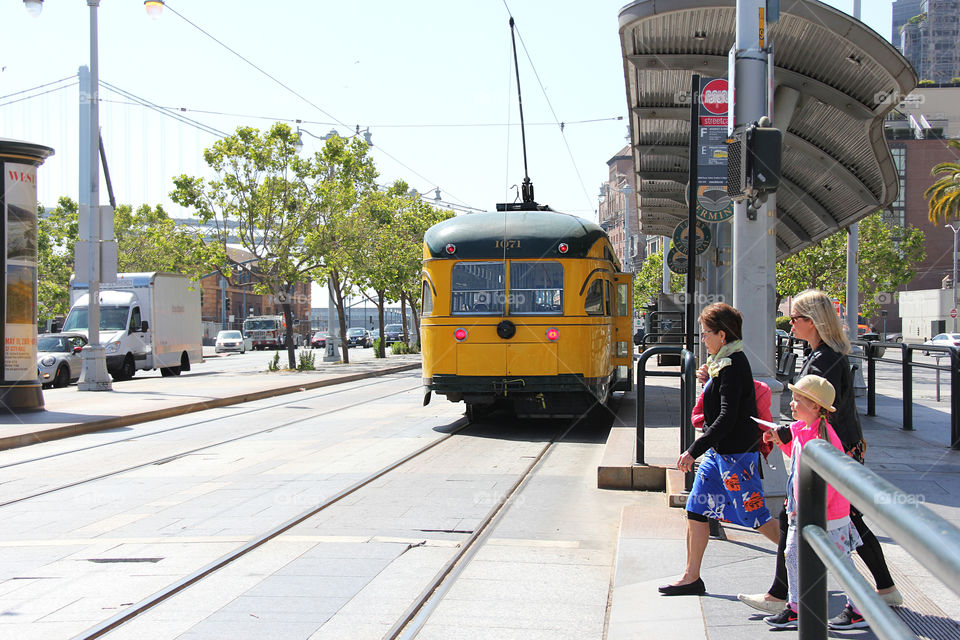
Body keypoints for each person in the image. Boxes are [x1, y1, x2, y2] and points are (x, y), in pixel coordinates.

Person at [737, 289, 901, 613]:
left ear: (811, 322)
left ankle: (784, 595)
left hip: (829, 453)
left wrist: (784, 432)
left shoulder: (824, 359)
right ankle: (884, 588)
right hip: (838, 450)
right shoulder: (824, 354)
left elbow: (816, 412)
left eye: (795, 318)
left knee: (803, 515)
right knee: (845, 518)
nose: (790, 324)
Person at [658, 303, 780, 596]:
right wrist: (708, 380)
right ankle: (691, 578)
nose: (703, 338)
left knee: (755, 516)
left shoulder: (733, 365)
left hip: (737, 456)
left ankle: (806, 555)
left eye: (706, 333)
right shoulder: (722, 363)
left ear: (722, 335)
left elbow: (727, 416)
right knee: (696, 510)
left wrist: (693, 450)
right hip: (720, 454)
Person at [762, 375, 867, 630]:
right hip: (803, 509)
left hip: (826, 512)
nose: (792, 404)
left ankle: (859, 607)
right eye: (794, 399)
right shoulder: (802, 429)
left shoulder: (824, 438)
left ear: (816, 407)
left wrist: (814, 510)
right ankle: (796, 606)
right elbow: (797, 458)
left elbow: (831, 479)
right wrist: (779, 442)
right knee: (791, 554)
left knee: (839, 561)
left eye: (799, 401)